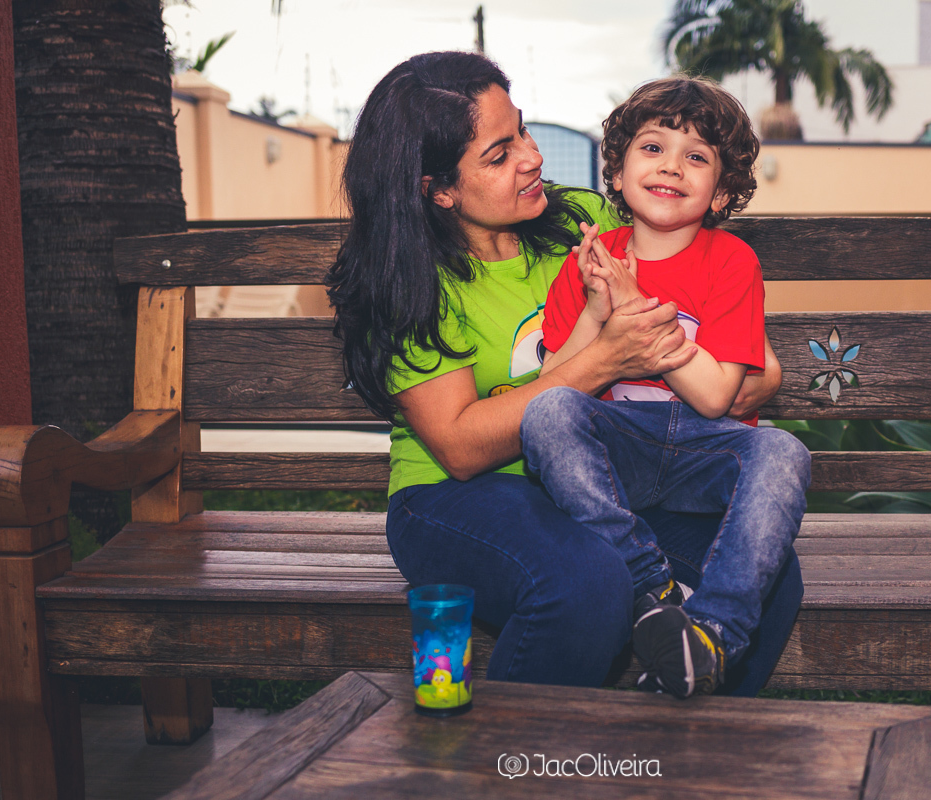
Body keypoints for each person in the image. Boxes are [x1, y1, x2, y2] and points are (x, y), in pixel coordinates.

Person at [326, 50, 801, 696]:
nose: (532, 157)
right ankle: (516, 769)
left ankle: (678, 742)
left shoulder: (581, 222)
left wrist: (752, 375)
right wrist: (605, 358)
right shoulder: (408, 284)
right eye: (499, 155)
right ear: (436, 188)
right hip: (457, 496)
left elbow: (720, 327)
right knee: (586, 581)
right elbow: (461, 448)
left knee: (774, 577)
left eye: (520, 129)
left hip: (601, 481)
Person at [522, 77, 811, 698]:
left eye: (697, 157)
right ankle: (649, 590)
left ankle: (707, 634)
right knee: (548, 415)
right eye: (652, 149)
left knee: (785, 451)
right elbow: (548, 394)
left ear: (722, 191)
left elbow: (714, 397)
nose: (671, 167)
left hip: (704, 450)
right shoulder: (589, 261)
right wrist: (599, 315)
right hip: (617, 454)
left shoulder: (731, 261)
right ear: (619, 173)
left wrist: (636, 306)